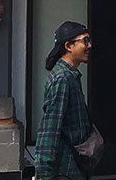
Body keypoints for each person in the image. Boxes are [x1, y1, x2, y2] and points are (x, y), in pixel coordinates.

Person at [36, 20, 94, 180]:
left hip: (74, 162)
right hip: (65, 167)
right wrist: (45, 171)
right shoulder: (62, 79)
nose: (89, 45)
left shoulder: (70, 75)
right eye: (85, 41)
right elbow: (50, 126)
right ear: (69, 46)